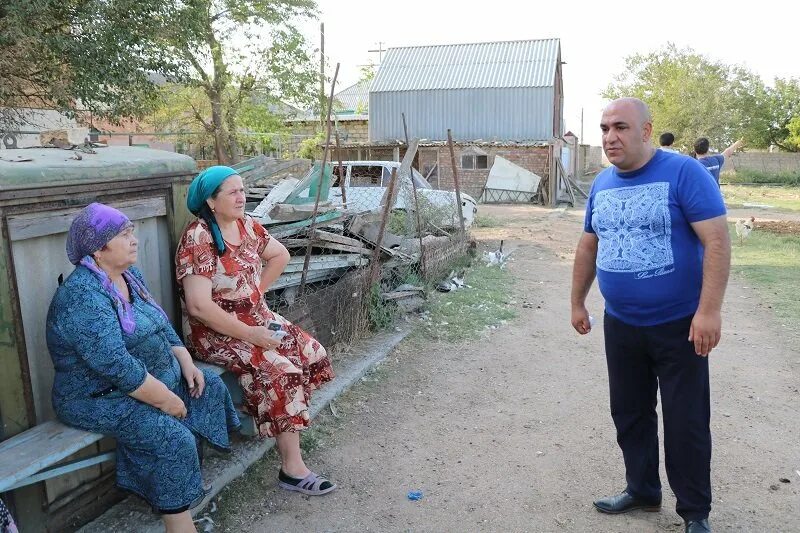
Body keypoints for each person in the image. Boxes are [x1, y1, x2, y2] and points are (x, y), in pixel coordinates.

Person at [571, 98, 731, 533]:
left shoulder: (685, 173)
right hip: (621, 323)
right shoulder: (602, 183)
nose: (609, 137)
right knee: (629, 412)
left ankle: (695, 512)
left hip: (679, 325)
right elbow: (589, 244)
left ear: (645, 131)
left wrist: (709, 311)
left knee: (686, 421)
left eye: (620, 127)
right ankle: (642, 489)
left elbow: (716, 241)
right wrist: (577, 302)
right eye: (604, 128)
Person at [47, 203, 240, 533]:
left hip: (146, 378)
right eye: (124, 235)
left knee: (206, 386)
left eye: (132, 231)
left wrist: (185, 360)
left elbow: (159, 321)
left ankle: (179, 494)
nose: (134, 240)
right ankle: (180, 525)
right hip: (96, 396)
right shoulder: (82, 295)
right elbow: (117, 367)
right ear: (98, 248)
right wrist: (166, 400)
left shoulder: (128, 275)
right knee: (170, 436)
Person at [176, 166, 337, 496]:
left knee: (311, 353)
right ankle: (292, 469)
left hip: (253, 319)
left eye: (242, 189)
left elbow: (279, 254)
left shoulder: (246, 225)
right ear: (210, 200)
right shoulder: (199, 238)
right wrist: (252, 335)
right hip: (214, 332)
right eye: (232, 191)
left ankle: (281, 420)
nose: (241, 196)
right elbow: (198, 307)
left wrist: (256, 293)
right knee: (281, 372)